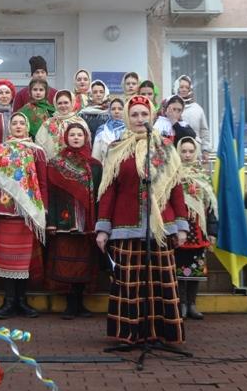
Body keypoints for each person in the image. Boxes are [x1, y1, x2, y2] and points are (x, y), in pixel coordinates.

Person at [94, 95, 189, 345]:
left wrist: (181, 225)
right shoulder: (116, 148)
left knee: (160, 283)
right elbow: (108, 190)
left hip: (161, 227)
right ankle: (130, 333)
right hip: (125, 226)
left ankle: (160, 333)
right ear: (127, 117)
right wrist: (103, 227)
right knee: (129, 284)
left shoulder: (165, 148)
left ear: (152, 117)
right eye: (134, 114)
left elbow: (176, 188)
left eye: (144, 114)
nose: (139, 119)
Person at [0, 113, 48, 319]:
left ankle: (22, 301)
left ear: (27, 126)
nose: (18, 126)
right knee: (5, 260)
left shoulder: (37, 151)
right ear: (9, 127)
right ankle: (8, 301)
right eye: (15, 123)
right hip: (5, 212)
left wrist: (44, 210)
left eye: (22, 123)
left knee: (24, 261)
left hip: (28, 213)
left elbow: (42, 182)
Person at [45, 124, 101, 319]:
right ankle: (70, 304)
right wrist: (51, 221)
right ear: (65, 138)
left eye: (79, 135)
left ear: (86, 138)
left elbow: (99, 195)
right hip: (65, 221)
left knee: (84, 262)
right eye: (72, 135)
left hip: (87, 222)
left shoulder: (95, 165)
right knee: (66, 262)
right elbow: (51, 194)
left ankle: (80, 302)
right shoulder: (55, 163)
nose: (76, 138)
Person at [174, 136, 218, 320]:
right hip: (180, 229)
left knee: (196, 268)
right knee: (179, 268)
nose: (187, 155)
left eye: (191, 151)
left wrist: (213, 231)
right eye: (183, 151)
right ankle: (182, 303)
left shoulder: (203, 177)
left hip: (199, 230)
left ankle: (192, 304)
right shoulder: (173, 174)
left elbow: (211, 206)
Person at [34, 89, 90, 161]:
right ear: (55, 104)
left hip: (77, 163)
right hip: (52, 164)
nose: (63, 106)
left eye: (66, 102)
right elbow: (39, 144)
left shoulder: (79, 122)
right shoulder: (48, 123)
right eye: (60, 103)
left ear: (72, 103)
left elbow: (87, 145)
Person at [175, 75, 212, 154]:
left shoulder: (197, 109)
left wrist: (205, 149)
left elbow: (204, 131)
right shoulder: (170, 107)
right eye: (181, 87)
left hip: (195, 151)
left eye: (187, 87)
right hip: (176, 151)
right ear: (176, 88)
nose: (184, 89)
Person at [92, 97, 126, 163]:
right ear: (109, 111)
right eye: (113, 109)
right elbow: (96, 156)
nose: (116, 111)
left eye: (120, 109)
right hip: (106, 166)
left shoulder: (130, 129)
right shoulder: (102, 130)